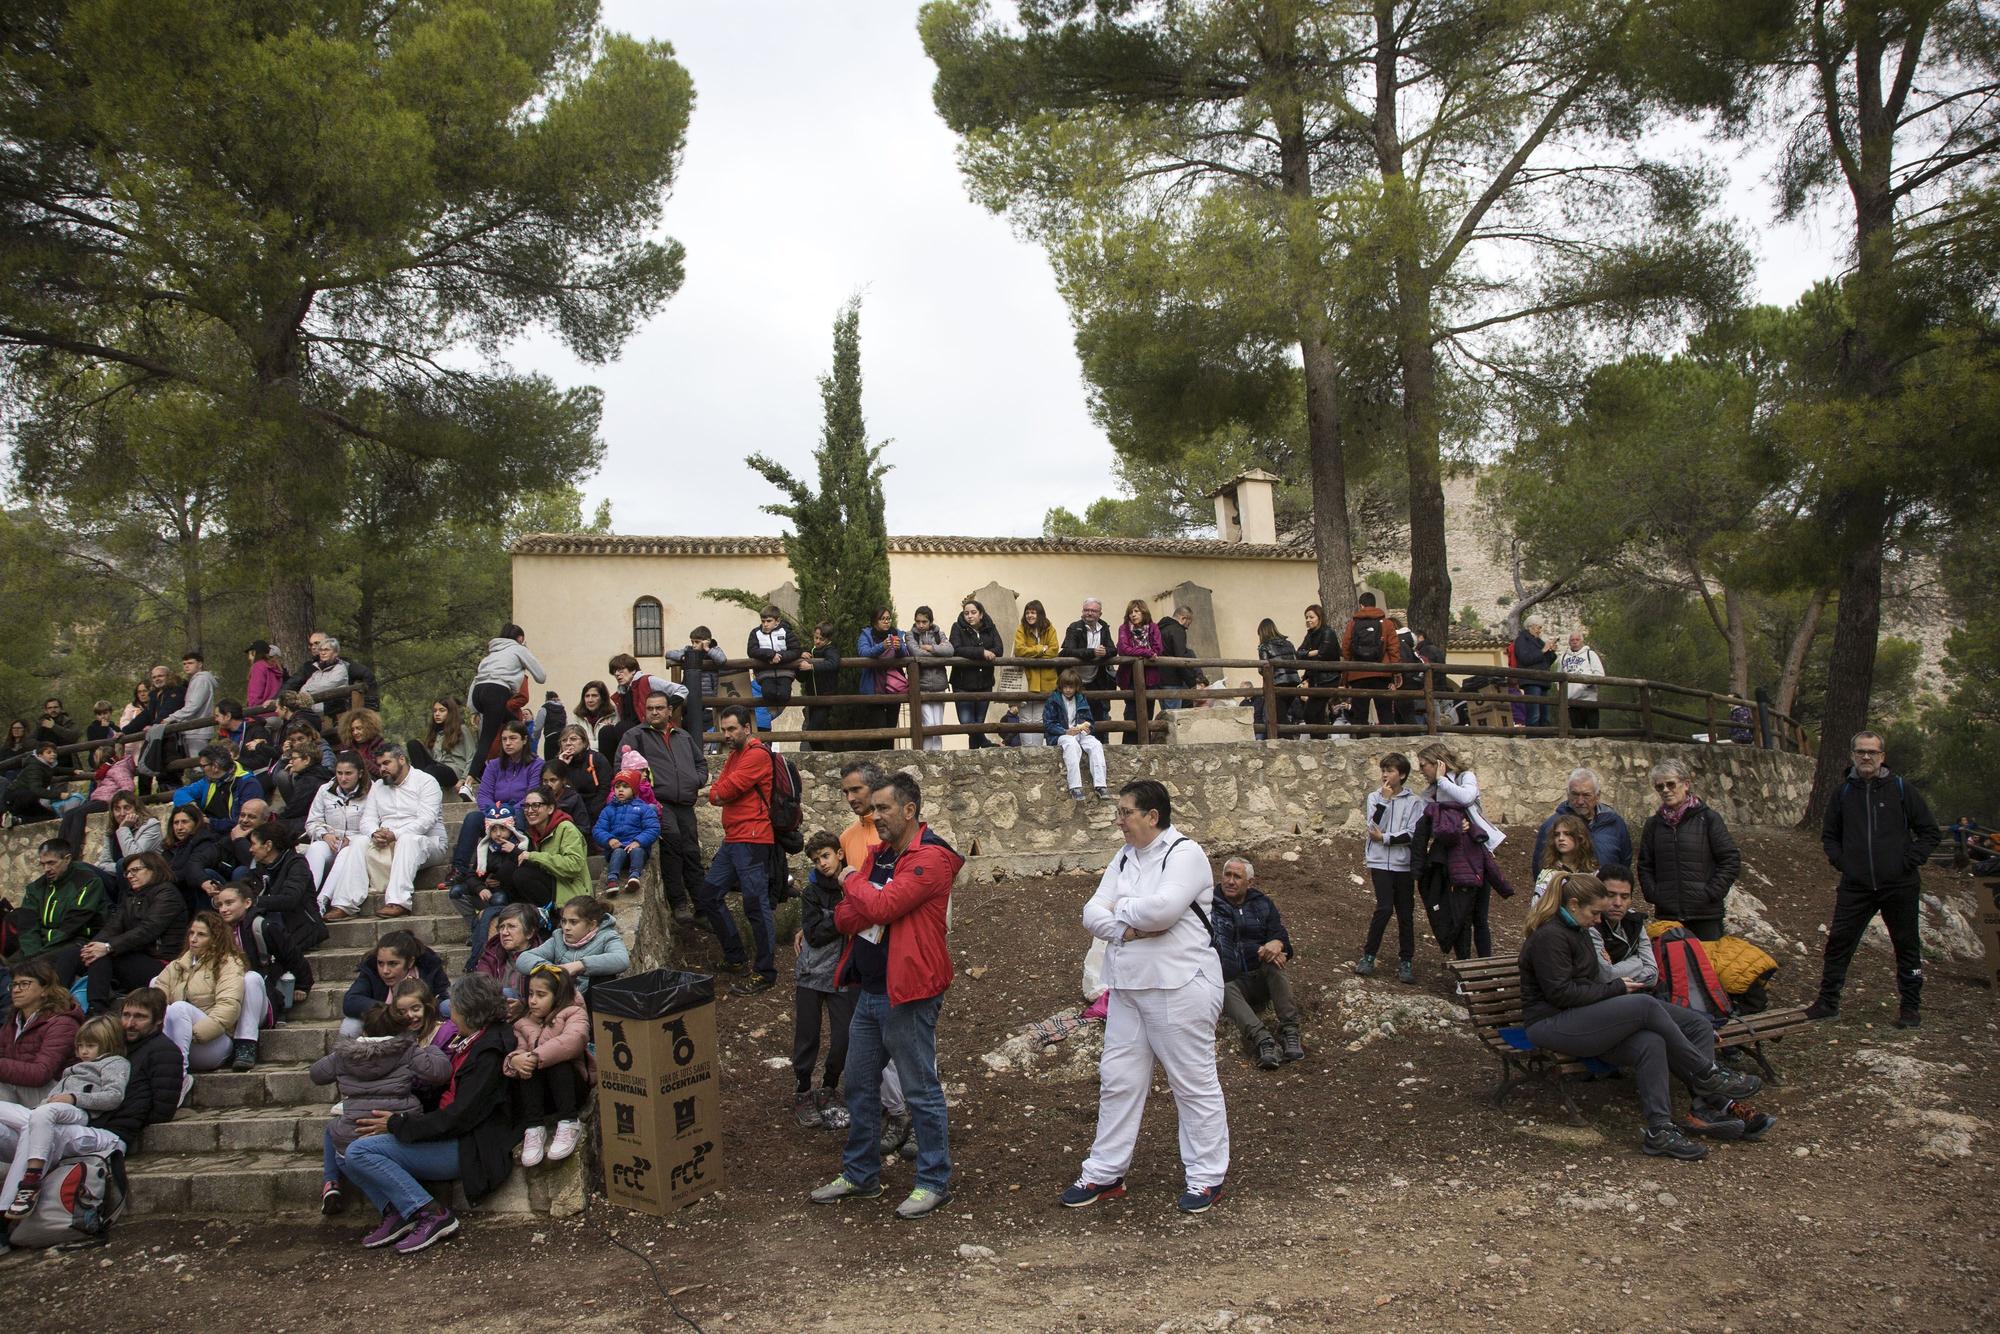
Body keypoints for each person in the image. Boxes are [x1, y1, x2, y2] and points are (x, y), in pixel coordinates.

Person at [1064, 780, 1228, 1214]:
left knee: (1192, 1082)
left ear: (1152, 816)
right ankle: (1105, 1170)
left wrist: (1121, 911)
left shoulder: (1185, 854)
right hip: (1128, 987)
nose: (1118, 821)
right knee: (1118, 1080)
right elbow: (1090, 912)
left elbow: (1165, 910)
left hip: (1178, 983)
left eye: (1125, 812)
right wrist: (1130, 925)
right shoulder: (1124, 857)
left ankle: (1206, 1176)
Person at [1517, 873, 1762, 1160]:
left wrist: (1611, 988)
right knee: (1643, 1005)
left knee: (1668, 1035)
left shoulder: (1579, 931)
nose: (1599, 920)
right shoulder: (1550, 937)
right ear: (1573, 904)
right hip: (1551, 1023)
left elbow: (1588, 981)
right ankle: (1706, 1073)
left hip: (1583, 1017)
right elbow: (1562, 995)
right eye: (1595, 912)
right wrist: (1617, 988)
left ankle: (1661, 1130)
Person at [810, 772, 961, 1221]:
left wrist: (850, 878)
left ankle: (934, 1181)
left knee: (920, 1091)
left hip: (909, 993)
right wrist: (860, 889)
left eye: (883, 809)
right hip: (872, 989)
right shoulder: (881, 856)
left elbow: (879, 908)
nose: (874, 816)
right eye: (872, 809)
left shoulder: (929, 859)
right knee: (858, 1086)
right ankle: (861, 1175)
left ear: (909, 810)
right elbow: (845, 914)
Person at [340, 973, 518, 1254]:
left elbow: (460, 1116)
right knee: (343, 1150)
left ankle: (431, 1213)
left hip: (469, 1147)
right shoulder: (474, 1040)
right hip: (451, 1134)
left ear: (470, 1011)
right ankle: (397, 1212)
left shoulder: (489, 1051)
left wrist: (399, 1124)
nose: (450, 1012)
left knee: (359, 1153)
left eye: (455, 1006)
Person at [1808, 730, 1942, 1027]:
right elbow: (1829, 835)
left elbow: (1930, 832)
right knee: (1839, 943)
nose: (1865, 757)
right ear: (1852, 755)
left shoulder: (1902, 789)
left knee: (1906, 946)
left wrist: (1908, 861)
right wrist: (1842, 862)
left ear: (1883, 756)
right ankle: (1827, 1002)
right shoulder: (1842, 793)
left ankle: (1910, 1008)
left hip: (1900, 884)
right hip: (1856, 886)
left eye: (1872, 752)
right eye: (1860, 751)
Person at [833, 761, 913, 1151]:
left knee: (905, 1052)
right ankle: (886, 1119)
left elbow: (887, 903)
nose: (851, 799)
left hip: (901, 962)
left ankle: (909, 1119)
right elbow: (848, 905)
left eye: (857, 791)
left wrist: (856, 888)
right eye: (845, 792)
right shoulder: (850, 837)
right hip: (864, 957)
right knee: (866, 1060)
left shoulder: (903, 841)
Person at [311, 1000, 451, 1216]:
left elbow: (317, 1074)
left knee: (341, 1148)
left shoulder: (344, 1054)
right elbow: (440, 1072)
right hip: (397, 1125)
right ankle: (404, 1208)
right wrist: (431, 1049)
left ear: (365, 1029)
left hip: (356, 1130)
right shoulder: (406, 1050)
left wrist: (341, 1055)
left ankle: (385, 1207)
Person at [0, 1013, 127, 1218]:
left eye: (90, 1046)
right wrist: (45, 1106)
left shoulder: (114, 1063)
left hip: (79, 1113)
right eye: (80, 1046)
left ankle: (31, 1180)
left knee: (43, 1114)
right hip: (49, 1112)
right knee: (29, 1114)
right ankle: (7, 1205)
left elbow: (114, 1096)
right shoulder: (72, 1069)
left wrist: (74, 1098)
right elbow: (52, 1098)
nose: (83, 1051)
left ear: (107, 1044)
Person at [697, 705, 780, 996]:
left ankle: (766, 971)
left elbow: (725, 791)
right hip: (735, 838)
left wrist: (717, 793)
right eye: (724, 729)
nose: (727, 734)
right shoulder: (735, 755)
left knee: (756, 905)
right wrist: (718, 792)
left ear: (748, 728)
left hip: (753, 838)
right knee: (709, 895)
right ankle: (736, 958)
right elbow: (721, 787)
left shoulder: (757, 754)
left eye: (732, 729)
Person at [323, 744, 445, 923]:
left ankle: (398, 901)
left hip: (427, 843)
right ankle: (344, 904)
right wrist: (374, 833)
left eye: (387, 763)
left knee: (408, 840)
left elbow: (426, 820)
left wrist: (395, 834)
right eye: (379, 765)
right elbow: (367, 820)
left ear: (402, 759)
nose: (382, 769)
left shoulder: (426, 781)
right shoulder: (379, 786)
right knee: (358, 842)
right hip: (387, 843)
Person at [617, 689, 704, 923]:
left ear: (669, 711)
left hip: (685, 803)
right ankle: (679, 904)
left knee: (692, 853)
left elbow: (700, 763)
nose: (654, 712)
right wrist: (644, 795)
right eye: (650, 708)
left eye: (659, 708)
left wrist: (697, 779)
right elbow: (622, 768)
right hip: (657, 804)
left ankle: (703, 907)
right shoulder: (635, 736)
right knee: (672, 846)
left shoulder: (683, 736)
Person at [1417, 742, 1507, 957]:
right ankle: (1464, 967)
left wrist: (1441, 780)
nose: (1421, 771)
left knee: (1480, 918)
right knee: (1460, 917)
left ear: (1438, 763)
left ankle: (1487, 967)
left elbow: (1466, 798)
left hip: (1478, 854)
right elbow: (1434, 825)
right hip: (1453, 860)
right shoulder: (1430, 793)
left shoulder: (1465, 777)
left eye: (1423, 765)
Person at [1636, 759, 1740, 942]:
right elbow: (1645, 864)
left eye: (1670, 784)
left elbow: (1730, 859)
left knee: (1708, 967)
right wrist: (1654, 894)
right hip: (1668, 916)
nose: (1666, 790)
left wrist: (1710, 893)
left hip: (1705, 915)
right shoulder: (1653, 825)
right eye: (1660, 787)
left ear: (1685, 784)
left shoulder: (1708, 819)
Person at [792, 831, 856, 1131]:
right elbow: (814, 934)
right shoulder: (811, 891)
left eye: (826, 856)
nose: (822, 864)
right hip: (811, 972)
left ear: (839, 854)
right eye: (816, 860)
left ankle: (830, 1088)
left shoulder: (851, 886)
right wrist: (845, 915)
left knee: (843, 1035)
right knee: (808, 1035)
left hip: (842, 973)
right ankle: (803, 1092)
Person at [1213, 856, 1301, 1070]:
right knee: (1222, 987)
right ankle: (1263, 1040)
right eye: (1227, 875)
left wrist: (1278, 944)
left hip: (1260, 977)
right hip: (1231, 981)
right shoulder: (1209, 905)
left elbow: (1283, 938)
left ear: (1249, 882)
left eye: (1237, 877)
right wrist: (1260, 948)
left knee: (1276, 964)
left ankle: (1290, 1031)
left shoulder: (1262, 903)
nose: (1230, 881)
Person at [76, 852, 187, 1015]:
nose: (130, 875)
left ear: (154, 869)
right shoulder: (130, 896)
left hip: (161, 964)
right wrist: (91, 947)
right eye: (127, 872)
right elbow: (112, 927)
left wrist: (107, 947)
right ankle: (51, 1003)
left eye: (135, 870)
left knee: (103, 955)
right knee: (72, 954)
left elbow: (147, 930)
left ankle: (96, 1010)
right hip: (134, 957)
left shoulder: (168, 894)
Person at [155, 911, 262, 1077]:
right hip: (182, 1039)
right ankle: (164, 1061)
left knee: (178, 1008)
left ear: (215, 939)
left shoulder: (228, 963)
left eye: (201, 935)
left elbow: (228, 1007)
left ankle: (178, 1075)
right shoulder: (178, 964)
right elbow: (155, 999)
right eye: (191, 933)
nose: (193, 939)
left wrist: (192, 1034)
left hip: (214, 1041)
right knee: (155, 986)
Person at [506, 964, 591, 1167]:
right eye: (531, 994)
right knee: (527, 1065)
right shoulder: (524, 1022)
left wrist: (536, 1056)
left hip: (571, 1090)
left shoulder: (574, 1013)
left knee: (554, 1061)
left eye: (541, 995)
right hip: (543, 1096)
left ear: (557, 995)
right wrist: (514, 1060)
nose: (533, 1000)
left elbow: (574, 1039)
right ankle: (534, 1127)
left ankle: (569, 1122)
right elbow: (519, 1046)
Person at [212, 879, 312, 1042]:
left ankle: (246, 1043)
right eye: (220, 905)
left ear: (247, 903)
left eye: (229, 903)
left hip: (262, 994)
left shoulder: (264, 927)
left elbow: (293, 956)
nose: (223, 909)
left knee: (250, 978)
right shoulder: (217, 933)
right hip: (228, 996)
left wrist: (302, 985)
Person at [1357, 752, 1423, 983]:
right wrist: (1384, 802)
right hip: (1379, 862)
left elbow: (1411, 834)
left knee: (1405, 913)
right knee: (1384, 908)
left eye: (1391, 770)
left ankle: (1406, 961)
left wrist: (1385, 838)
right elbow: (1372, 826)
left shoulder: (1414, 802)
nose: (1385, 775)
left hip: (1402, 864)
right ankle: (1368, 955)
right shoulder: (1375, 797)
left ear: (1402, 774)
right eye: (1384, 770)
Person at [5, 838, 108, 982]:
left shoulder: (88, 881)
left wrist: (37, 957)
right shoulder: (36, 888)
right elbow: (28, 925)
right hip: (41, 944)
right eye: (43, 864)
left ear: (67, 859)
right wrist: (32, 953)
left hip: (76, 941)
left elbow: (73, 924)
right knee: (6, 970)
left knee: (31, 970)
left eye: (51, 863)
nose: (46, 869)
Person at [480, 789, 591, 920]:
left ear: (550, 808)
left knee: (522, 875)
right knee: (511, 871)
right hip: (550, 885)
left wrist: (532, 856)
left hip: (568, 890)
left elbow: (574, 865)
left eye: (536, 805)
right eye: (526, 806)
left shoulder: (566, 828)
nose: (530, 810)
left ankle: (550, 919)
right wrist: (489, 880)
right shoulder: (532, 833)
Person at [464, 624, 547, 781]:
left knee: (518, 727)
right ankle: (468, 781)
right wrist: (526, 653)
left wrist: (474, 709)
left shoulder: (489, 657)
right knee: (486, 740)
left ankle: (531, 766)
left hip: (478, 694)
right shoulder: (519, 649)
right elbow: (541, 677)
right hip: (496, 692)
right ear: (520, 639)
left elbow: (476, 681)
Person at [341, 932, 452, 1039]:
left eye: (393, 964)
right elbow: (351, 1001)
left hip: (423, 1022)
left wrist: (422, 1009)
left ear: (410, 962)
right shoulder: (371, 971)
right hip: (385, 1027)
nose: (385, 971)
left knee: (448, 1006)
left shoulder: (429, 968)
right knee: (351, 1025)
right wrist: (391, 1011)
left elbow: (443, 996)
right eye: (380, 963)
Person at [0, 960, 81, 1105]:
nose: (16, 990)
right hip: (19, 1088)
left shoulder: (62, 1023)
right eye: (13, 985)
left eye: (24, 984)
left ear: (45, 989)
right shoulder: (13, 1021)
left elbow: (41, 1073)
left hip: (54, 1095)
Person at [237, 823, 326, 952]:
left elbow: (289, 899)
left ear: (268, 845)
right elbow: (247, 890)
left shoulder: (297, 864)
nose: (250, 849)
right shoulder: (261, 867)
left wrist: (254, 902)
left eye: (253, 844)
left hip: (301, 929)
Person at [1530, 768, 1635, 877]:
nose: (1580, 801)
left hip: (1607, 891)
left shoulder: (1614, 823)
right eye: (1575, 794)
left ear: (1597, 796)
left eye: (1586, 795)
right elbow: (1540, 868)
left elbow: (1625, 863)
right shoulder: (1552, 826)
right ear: (1568, 794)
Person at [514, 896, 630, 994]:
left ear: (592, 925)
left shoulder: (607, 936)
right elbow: (524, 959)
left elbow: (621, 959)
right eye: (564, 921)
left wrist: (580, 965)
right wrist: (553, 970)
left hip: (592, 1003)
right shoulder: (558, 938)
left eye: (573, 922)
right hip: (562, 999)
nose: (566, 927)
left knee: (605, 977)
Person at [303, 753, 370, 890]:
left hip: (356, 846)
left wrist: (351, 840)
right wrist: (324, 835)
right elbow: (312, 822)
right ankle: (308, 895)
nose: (343, 778)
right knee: (316, 848)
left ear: (360, 773)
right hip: (331, 842)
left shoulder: (372, 792)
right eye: (339, 773)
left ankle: (324, 898)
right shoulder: (325, 790)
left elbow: (374, 825)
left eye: (348, 773)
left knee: (346, 853)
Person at [1339, 593, 1402, 736]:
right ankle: (1388, 744)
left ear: (1361, 605)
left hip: (1358, 674)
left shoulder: (1353, 624)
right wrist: (1396, 671)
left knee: (1360, 714)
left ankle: (1363, 744)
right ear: (1374, 605)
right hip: (1382, 672)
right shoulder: (1386, 624)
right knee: (1385, 712)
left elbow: (1346, 648)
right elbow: (1394, 648)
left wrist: (1349, 669)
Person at [1045, 668, 1109, 801]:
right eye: (1065, 687)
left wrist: (1087, 727)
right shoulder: (1054, 699)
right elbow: (1048, 723)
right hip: (1061, 734)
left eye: (1071, 687)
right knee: (1071, 744)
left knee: (1096, 745)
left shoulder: (1080, 699)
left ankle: (1100, 785)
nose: (1068, 690)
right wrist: (1065, 731)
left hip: (1079, 733)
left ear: (1076, 687)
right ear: (1060, 686)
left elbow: (1089, 720)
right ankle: (1075, 786)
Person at [174, 744, 265, 838]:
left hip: (232, 836)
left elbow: (242, 822)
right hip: (209, 831)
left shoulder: (248, 785)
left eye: (203, 766)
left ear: (215, 766)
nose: (202, 770)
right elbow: (180, 793)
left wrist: (208, 822)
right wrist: (193, 808)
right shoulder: (210, 780)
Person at [949, 599, 1004, 749]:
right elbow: (956, 648)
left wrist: (991, 653)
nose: (969, 616)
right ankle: (985, 743)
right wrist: (981, 652)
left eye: (973, 612)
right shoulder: (957, 628)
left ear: (981, 614)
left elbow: (999, 648)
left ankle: (973, 755)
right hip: (962, 683)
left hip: (984, 682)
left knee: (978, 723)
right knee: (967, 722)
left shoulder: (990, 628)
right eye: (966, 613)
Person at [593, 771, 659, 896]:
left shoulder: (643, 808)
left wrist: (638, 841)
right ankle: (612, 880)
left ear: (634, 789)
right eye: (617, 787)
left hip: (637, 847)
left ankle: (634, 877)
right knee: (618, 852)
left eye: (625, 786)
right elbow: (598, 830)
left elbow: (653, 828)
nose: (620, 790)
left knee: (637, 851)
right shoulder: (608, 810)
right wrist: (609, 840)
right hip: (616, 849)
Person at [746, 605, 808, 736]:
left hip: (785, 672)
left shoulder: (786, 633)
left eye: (769, 621)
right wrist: (770, 655)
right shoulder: (755, 633)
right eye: (763, 621)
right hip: (765, 674)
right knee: (768, 694)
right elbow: (752, 651)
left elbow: (796, 650)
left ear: (777, 621)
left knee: (784, 696)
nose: (765, 624)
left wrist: (780, 657)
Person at [1591, 867, 1657, 988]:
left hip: (1629, 994)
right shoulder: (1590, 924)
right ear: (1596, 895)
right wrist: (1637, 962)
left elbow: (1653, 975)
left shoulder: (1635, 921)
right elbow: (1605, 976)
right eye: (1610, 895)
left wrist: (1618, 982)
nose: (1618, 903)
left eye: (1625, 896)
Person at [161, 803, 230, 916]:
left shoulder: (204, 841)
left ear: (196, 823)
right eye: (176, 823)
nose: (179, 827)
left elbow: (189, 870)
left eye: (184, 822)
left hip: (194, 895)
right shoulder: (170, 849)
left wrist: (163, 878)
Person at [856, 607, 911, 741]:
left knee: (891, 728)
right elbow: (863, 653)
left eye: (888, 619)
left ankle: (889, 759)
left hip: (894, 687)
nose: (886, 622)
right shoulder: (866, 635)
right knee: (878, 727)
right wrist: (882, 646)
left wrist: (899, 649)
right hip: (874, 687)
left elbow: (907, 654)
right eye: (883, 619)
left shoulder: (897, 633)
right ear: (875, 621)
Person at [1113, 600, 1163, 744]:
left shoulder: (1153, 628)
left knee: (1147, 714)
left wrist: (1142, 653)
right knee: (1130, 714)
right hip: (1129, 678)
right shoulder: (1124, 629)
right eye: (1130, 612)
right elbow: (1123, 649)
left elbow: (1158, 649)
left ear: (1144, 612)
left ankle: (1145, 746)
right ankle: (1128, 748)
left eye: (1136, 611)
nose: (1133, 615)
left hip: (1150, 679)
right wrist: (1146, 652)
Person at [157, 650, 220, 760]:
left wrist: (171, 718)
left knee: (198, 764)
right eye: (184, 664)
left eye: (190, 663)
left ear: (200, 664)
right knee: (195, 764)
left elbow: (193, 705)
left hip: (197, 730)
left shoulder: (201, 680)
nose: (186, 666)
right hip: (193, 729)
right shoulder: (196, 680)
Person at [1014, 601, 1061, 748]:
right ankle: (1028, 751)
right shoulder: (1021, 629)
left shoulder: (1049, 629)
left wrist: (1032, 652)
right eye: (1027, 612)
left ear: (1039, 614)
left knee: (1040, 718)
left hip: (1047, 681)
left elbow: (1054, 650)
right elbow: (1019, 651)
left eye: (1033, 612)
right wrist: (1041, 649)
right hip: (1026, 680)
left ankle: (1038, 751)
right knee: (1025, 718)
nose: (1029, 615)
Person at [466, 903, 545, 986]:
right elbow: (482, 989)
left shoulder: (542, 960)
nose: (504, 933)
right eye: (501, 927)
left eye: (511, 926)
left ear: (529, 933)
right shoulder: (491, 955)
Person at [907, 606, 952, 750]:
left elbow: (950, 650)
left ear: (930, 622)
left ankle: (938, 755)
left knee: (938, 725)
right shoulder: (910, 635)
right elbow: (916, 653)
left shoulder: (939, 634)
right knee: (928, 724)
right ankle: (926, 755)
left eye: (924, 622)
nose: (920, 625)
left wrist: (931, 648)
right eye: (918, 621)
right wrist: (938, 653)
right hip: (921, 686)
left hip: (939, 686)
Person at [408, 698, 474, 795]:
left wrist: (464, 779)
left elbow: (471, 756)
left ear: (451, 712)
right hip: (436, 768)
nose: (437, 714)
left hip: (454, 771)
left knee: (429, 771)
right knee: (412, 744)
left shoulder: (462, 729)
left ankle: (418, 786)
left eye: (441, 710)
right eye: (435, 711)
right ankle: (418, 784)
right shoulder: (435, 733)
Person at [1532, 814, 1600, 903]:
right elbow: (1537, 908)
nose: (1561, 838)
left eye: (1567, 834)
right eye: (1556, 834)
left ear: (1580, 837)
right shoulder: (1548, 875)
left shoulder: (1593, 871)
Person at [2, 740, 71, 824]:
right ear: (40, 755)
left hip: (27, 798)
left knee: (50, 816)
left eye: (54, 752)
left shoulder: (45, 766)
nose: (53, 754)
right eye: (49, 752)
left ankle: (17, 820)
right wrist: (58, 795)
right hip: (17, 799)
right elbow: (36, 789)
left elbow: (56, 770)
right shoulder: (34, 767)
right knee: (33, 800)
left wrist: (73, 771)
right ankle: (11, 816)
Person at [1255, 618, 1302, 738]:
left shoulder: (1264, 647)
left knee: (1276, 717)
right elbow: (1296, 661)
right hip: (1293, 682)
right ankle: (1288, 739)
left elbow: (1263, 668)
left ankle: (1288, 742)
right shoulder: (1288, 643)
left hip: (1278, 683)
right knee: (1282, 714)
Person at [1060, 598, 1118, 696]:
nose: (1089, 613)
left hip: (1097, 679)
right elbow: (1068, 651)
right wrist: (1093, 652)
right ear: (1082, 612)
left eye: (1093, 611)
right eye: (1086, 610)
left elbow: (1113, 650)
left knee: (1098, 710)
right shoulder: (1074, 627)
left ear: (1100, 614)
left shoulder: (1104, 627)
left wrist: (1105, 652)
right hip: (1073, 679)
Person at [799, 622, 842, 748]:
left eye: (821, 639)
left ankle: (822, 754)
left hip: (825, 697)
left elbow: (833, 663)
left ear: (828, 640)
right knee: (814, 730)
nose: (817, 641)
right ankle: (821, 753)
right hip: (813, 697)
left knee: (813, 731)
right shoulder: (812, 650)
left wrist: (811, 666)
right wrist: (802, 655)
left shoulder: (831, 650)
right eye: (815, 638)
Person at [1556, 631, 1604, 731]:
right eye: (1572, 640)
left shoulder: (1590, 654)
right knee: (1578, 733)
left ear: (1581, 641)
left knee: (1594, 732)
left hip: (1589, 700)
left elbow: (1600, 674)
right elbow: (1558, 678)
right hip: (1572, 702)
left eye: (1577, 640)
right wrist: (1562, 693)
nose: (1575, 642)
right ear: (1569, 642)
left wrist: (1586, 684)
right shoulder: (1563, 657)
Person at [1512, 618, 1554, 728]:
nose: (1540, 630)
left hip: (1543, 681)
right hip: (1531, 681)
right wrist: (1542, 651)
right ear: (1531, 626)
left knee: (1545, 715)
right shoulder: (1521, 640)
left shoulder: (1540, 642)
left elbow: (1547, 662)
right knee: (1534, 714)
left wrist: (1551, 651)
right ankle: (1533, 739)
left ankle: (1546, 739)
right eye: (1538, 627)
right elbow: (1525, 659)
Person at [1157, 606, 1196, 711]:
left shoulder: (1159, 629)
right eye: (1188, 624)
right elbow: (1181, 658)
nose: (1187, 628)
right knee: (1173, 717)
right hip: (1172, 680)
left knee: (1164, 715)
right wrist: (1191, 681)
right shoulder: (1178, 630)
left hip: (1158, 679)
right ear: (1183, 619)